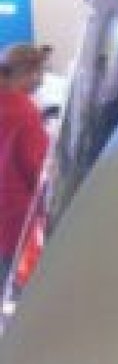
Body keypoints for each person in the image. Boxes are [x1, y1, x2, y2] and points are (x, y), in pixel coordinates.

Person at [0, 43, 51, 282]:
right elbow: (39, 171)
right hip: (14, 221)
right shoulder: (25, 111)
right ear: (29, 72)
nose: (41, 81)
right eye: (40, 73)